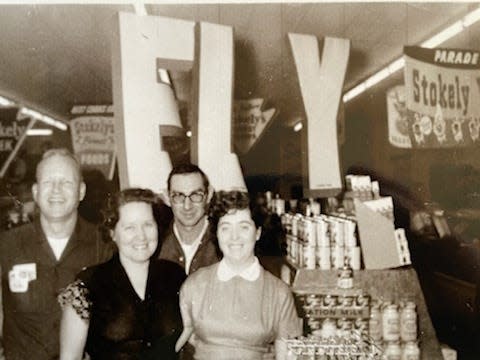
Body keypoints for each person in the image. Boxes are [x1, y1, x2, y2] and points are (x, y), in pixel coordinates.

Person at [0, 148, 114, 360]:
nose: (56, 190)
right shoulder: (6, 245)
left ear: (81, 191)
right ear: (35, 191)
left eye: (66, 183)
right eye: (48, 182)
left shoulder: (104, 247)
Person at [58, 188, 185, 360]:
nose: (141, 236)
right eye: (129, 227)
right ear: (112, 233)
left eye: (147, 224)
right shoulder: (87, 284)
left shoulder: (174, 276)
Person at [176, 191, 302, 360]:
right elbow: (180, 343)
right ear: (217, 234)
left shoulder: (279, 292)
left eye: (244, 227)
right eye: (226, 228)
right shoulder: (195, 284)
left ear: (257, 233)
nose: (234, 237)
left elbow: (286, 355)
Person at [158, 164, 220, 274]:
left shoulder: (224, 243)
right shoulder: (155, 246)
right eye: (178, 196)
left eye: (196, 195)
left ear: (209, 194)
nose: (187, 206)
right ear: (167, 198)